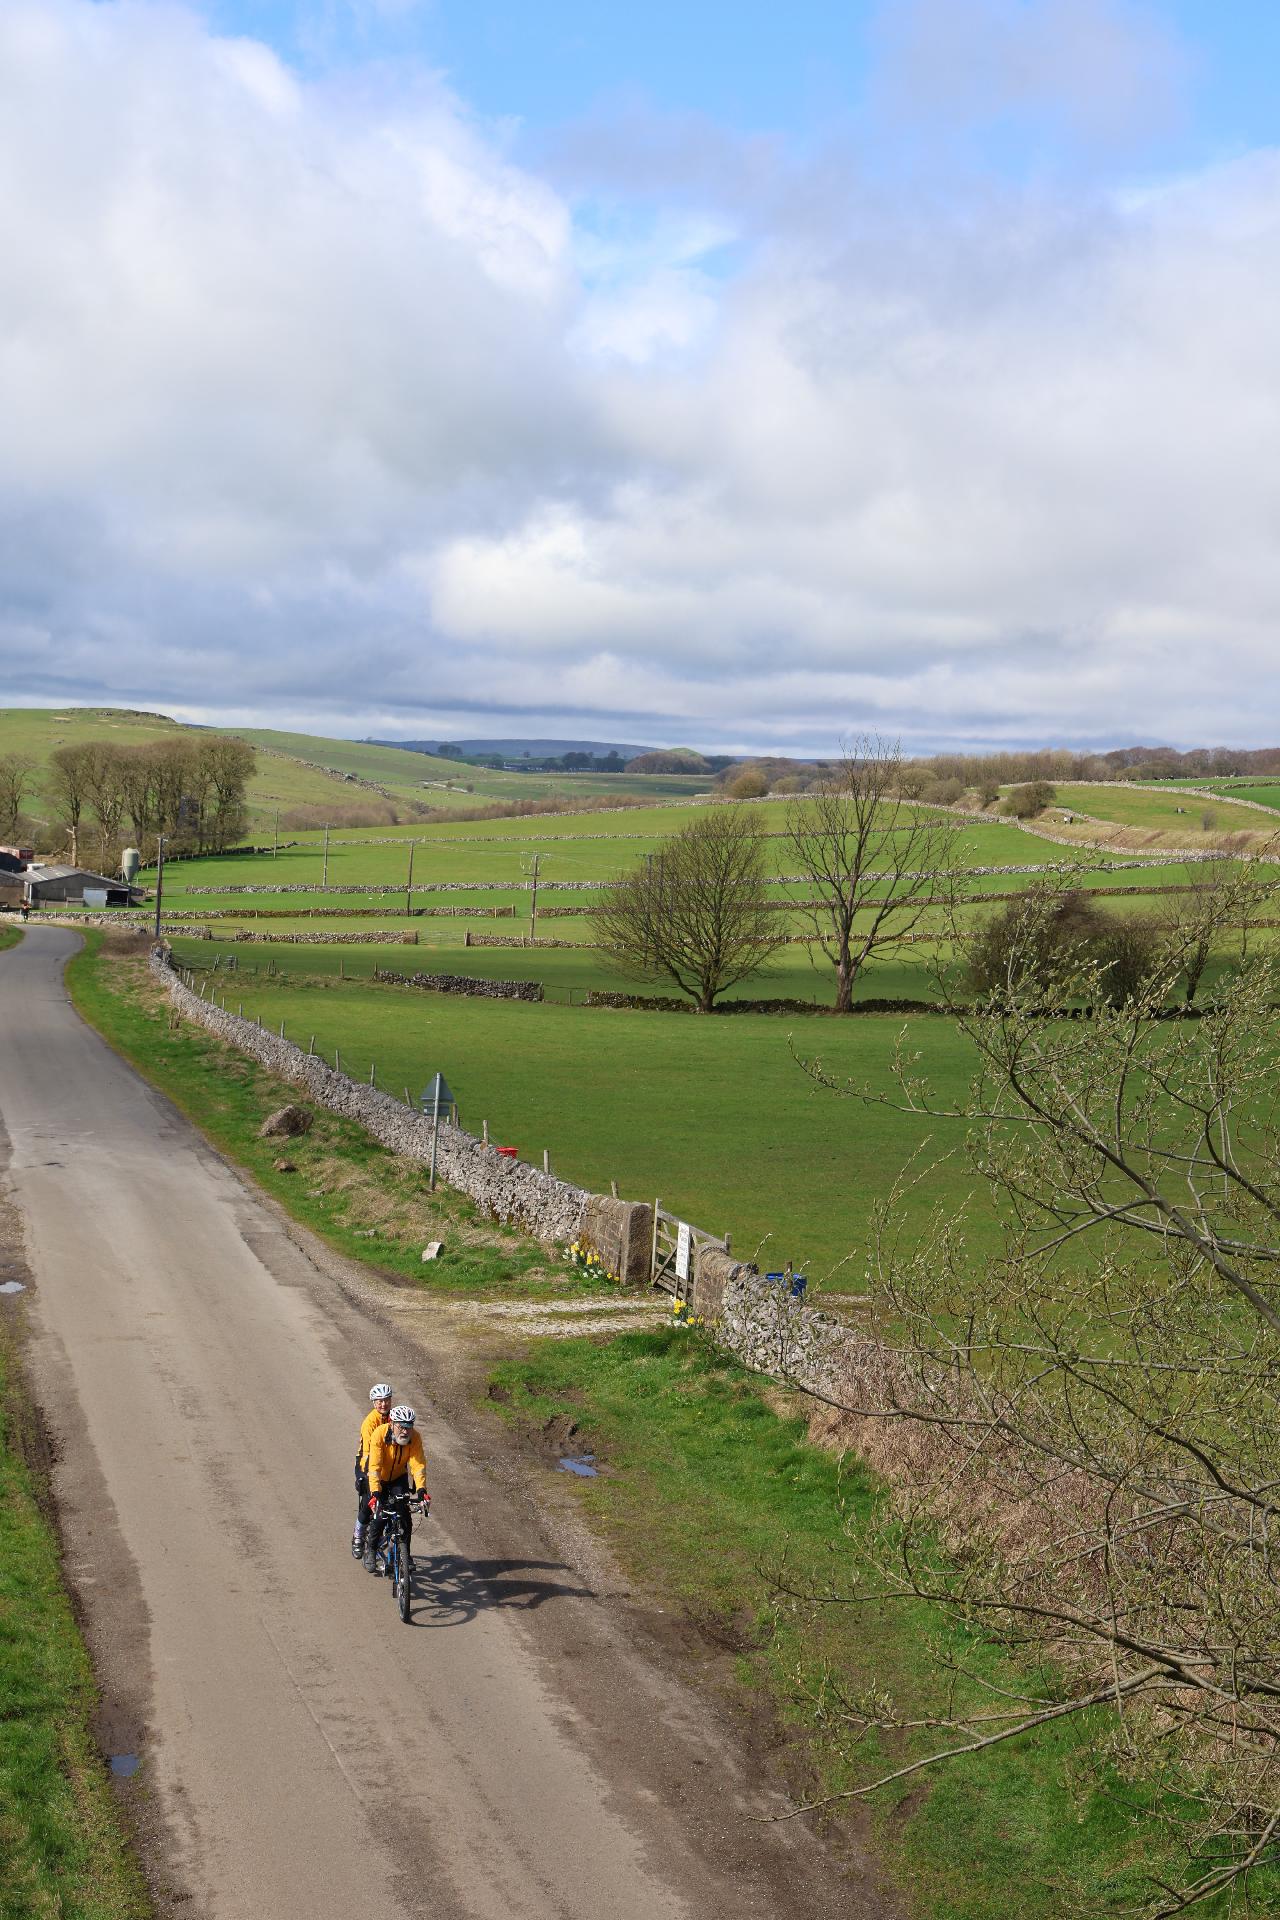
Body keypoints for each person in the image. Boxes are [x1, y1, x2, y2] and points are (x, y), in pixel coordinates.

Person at [362, 1405, 429, 1574]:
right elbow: (375, 1466)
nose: (405, 1431)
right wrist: (375, 1493)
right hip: (380, 1480)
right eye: (401, 1426)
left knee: (405, 1516)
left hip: (398, 1478)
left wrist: (421, 1490)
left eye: (409, 1426)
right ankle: (370, 1550)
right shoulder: (379, 1434)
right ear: (392, 1423)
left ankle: (406, 1553)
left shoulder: (415, 1438)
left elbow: (417, 1465)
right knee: (379, 1515)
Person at [352, 1383, 393, 1559]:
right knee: (370, 1501)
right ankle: (358, 1536)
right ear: (373, 1403)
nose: (383, 1404)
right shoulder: (370, 1422)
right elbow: (368, 1452)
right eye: (379, 1401)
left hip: (387, 1465)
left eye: (386, 1400)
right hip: (366, 1462)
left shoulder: (394, 1417)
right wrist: (369, 1475)